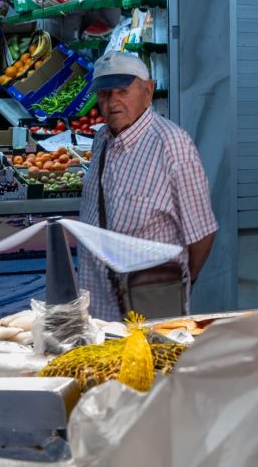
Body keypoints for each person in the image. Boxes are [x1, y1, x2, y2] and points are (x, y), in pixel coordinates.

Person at [77, 51, 217, 321]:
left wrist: (172, 284)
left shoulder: (171, 145)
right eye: (104, 94)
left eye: (122, 91)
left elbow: (202, 235)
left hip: (149, 309)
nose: (112, 102)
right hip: (98, 310)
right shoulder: (102, 140)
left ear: (148, 90)